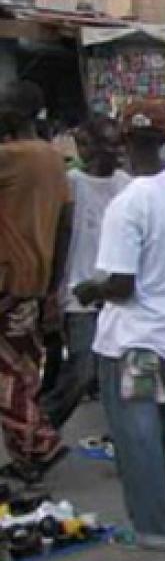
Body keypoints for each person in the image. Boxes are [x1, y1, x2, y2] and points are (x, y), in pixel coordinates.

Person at [73, 100, 165, 549]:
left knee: (138, 436)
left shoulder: (128, 204)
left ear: (125, 142)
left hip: (134, 342)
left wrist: (90, 290)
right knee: (163, 427)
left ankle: (153, 527)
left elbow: (122, 284)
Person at [0, 81, 72, 484]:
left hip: (8, 278)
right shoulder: (53, 160)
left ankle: (40, 444)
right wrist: (52, 286)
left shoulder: (11, 157)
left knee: (9, 375)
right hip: (34, 280)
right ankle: (26, 453)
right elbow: (65, 224)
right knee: (22, 370)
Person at [43, 117, 130, 429]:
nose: (115, 151)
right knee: (82, 368)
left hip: (118, 291)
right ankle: (42, 428)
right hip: (79, 291)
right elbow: (59, 236)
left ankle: (125, 434)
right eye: (108, 144)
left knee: (124, 371)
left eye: (118, 143)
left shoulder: (127, 185)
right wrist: (53, 291)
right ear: (88, 147)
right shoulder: (71, 184)